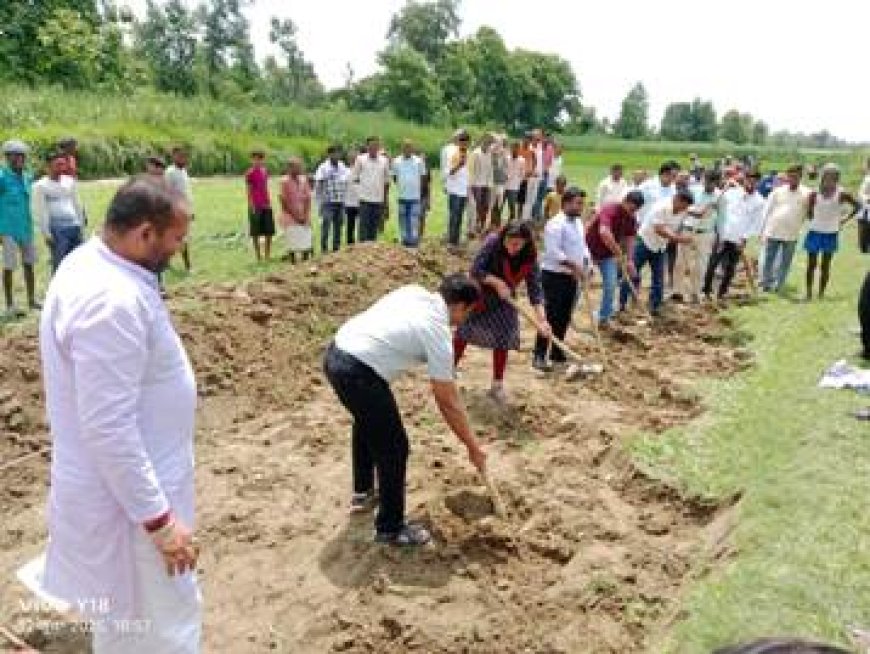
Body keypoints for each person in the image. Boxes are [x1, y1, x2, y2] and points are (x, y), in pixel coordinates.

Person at [39, 177, 201, 652]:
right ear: (145, 234)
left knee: (127, 623)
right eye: (175, 238)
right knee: (162, 623)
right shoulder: (110, 302)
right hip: (132, 506)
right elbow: (108, 427)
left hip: (136, 489)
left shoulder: (97, 263)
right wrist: (160, 521)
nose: (179, 248)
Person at [324, 274, 487, 546]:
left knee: (368, 421)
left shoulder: (413, 291)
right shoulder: (437, 332)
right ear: (459, 306)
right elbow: (447, 400)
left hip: (336, 352)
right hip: (358, 371)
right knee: (394, 447)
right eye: (467, 312)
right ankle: (390, 527)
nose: (465, 319)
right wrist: (472, 445)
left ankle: (363, 492)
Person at [453, 221, 551, 404]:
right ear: (503, 238)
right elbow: (476, 270)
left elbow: (535, 289)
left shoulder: (530, 257)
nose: (512, 248)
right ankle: (448, 372)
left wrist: (542, 320)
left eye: (517, 244)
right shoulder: (492, 243)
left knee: (504, 338)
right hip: (480, 294)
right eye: (509, 242)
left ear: (525, 243)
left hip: (505, 300)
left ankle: (496, 385)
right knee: (464, 333)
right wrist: (497, 283)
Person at [532, 188, 590, 371]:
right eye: (577, 203)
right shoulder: (555, 224)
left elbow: (582, 246)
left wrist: (587, 264)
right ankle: (539, 355)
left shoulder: (579, 223)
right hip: (553, 277)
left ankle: (557, 352)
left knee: (564, 316)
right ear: (566, 203)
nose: (581, 207)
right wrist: (573, 266)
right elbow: (553, 252)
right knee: (549, 316)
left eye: (582, 203)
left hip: (571, 278)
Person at [620, 190, 694, 316]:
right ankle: (621, 304)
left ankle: (655, 306)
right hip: (644, 242)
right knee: (632, 272)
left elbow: (690, 215)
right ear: (677, 199)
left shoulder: (683, 211)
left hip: (660, 247)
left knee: (659, 278)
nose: (684, 210)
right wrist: (679, 239)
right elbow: (659, 229)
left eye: (686, 207)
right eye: (683, 206)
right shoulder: (661, 207)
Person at [703, 171, 765, 301]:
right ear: (745, 180)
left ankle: (722, 292)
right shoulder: (732, 193)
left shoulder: (759, 201)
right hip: (722, 234)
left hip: (738, 238)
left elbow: (756, 223)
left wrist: (744, 238)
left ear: (758, 182)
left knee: (730, 268)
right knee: (712, 263)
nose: (751, 183)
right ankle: (706, 290)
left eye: (754, 181)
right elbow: (717, 207)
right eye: (749, 180)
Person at [585, 191, 645, 324]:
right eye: (631, 208)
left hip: (607, 255)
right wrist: (619, 253)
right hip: (589, 251)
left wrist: (629, 260)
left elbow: (630, 239)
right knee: (580, 284)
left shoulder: (631, 218)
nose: (632, 212)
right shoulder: (610, 209)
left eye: (635, 210)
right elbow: (604, 232)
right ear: (625, 201)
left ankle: (603, 316)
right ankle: (568, 313)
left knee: (611, 285)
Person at [803, 164, 861, 300]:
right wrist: (813, 219)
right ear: (822, 176)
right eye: (827, 175)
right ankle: (808, 293)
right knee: (811, 264)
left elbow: (858, 205)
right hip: (815, 232)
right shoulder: (814, 193)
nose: (829, 178)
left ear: (837, 178)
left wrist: (844, 219)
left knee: (825, 265)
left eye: (833, 175)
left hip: (831, 233)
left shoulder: (842, 194)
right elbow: (809, 211)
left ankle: (821, 294)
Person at [673, 170, 725, 303]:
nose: (709, 185)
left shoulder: (721, 197)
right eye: (707, 181)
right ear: (703, 179)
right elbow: (684, 208)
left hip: (706, 233)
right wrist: (694, 213)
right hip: (688, 230)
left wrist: (720, 238)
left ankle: (695, 293)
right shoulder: (693, 190)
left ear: (717, 182)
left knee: (701, 266)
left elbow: (722, 219)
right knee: (680, 263)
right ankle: (677, 291)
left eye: (712, 183)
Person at [0, 139, 38, 316]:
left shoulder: (27, 177)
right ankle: (9, 305)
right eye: (15, 156)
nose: (19, 160)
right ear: (7, 158)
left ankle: (32, 300)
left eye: (22, 156)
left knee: (29, 264)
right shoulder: (2, 178)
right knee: (9, 266)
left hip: (26, 228)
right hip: (7, 229)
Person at [33, 151, 87, 272]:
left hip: (74, 226)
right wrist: (46, 233)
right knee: (60, 264)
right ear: (48, 167)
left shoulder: (69, 181)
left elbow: (77, 203)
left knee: (78, 262)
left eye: (63, 164)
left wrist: (81, 223)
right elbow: (41, 211)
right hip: (57, 230)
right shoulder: (40, 186)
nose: (61, 167)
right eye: (57, 164)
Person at [760, 164, 809, 292]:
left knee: (785, 262)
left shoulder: (807, 193)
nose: (793, 179)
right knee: (768, 259)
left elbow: (810, 213)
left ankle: (779, 285)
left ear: (800, 177)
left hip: (792, 233)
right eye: (791, 176)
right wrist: (763, 230)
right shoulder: (777, 191)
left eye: (796, 177)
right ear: (787, 177)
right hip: (774, 230)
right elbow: (768, 211)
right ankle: (765, 284)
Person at [351, 137, 390, 242]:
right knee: (363, 230)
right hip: (365, 200)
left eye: (376, 146)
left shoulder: (384, 161)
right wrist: (360, 193)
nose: (374, 148)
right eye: (371, 146)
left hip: (378, 200)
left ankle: (370, 253)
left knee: (373, 231)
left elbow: (386, 182)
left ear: (379, 147)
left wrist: (385, 201)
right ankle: (361, 253)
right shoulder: (360, 159)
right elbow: (354, 179)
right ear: (367, 147)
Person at [391, 139, 426, 248]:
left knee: (414, 219)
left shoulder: (419, 161)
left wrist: (418, 190)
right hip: (402, 195)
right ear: (402, 148)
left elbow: (423, 177)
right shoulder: (396, 161)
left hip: (415, 196)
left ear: (413, 149)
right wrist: (402, 185)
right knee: (403, 219)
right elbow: (395, 177)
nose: (407, 149)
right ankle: (405, 241)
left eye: (409, 147)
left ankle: (414, 242)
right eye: (405, 147)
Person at [314, 145, 348, 254]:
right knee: (326, 224)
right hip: (327, 201)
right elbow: (318, 183)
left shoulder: (342, 166)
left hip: (340, 201)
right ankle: (324, 249)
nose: (337, 155)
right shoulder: (323, 167)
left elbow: (347, 180)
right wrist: (319, 201)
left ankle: (336, 249)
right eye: (334, 153)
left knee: (338, 226)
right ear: (329, 154)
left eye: (338, 153)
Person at [279, 157, 313, 263]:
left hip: (303, 215)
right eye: (297, 167)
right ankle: (293, 264)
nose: (299, 169)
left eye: (300, 166)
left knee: (306, 243)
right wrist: (296, 216)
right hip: (290, 216)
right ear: (290, 168)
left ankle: (305, 263)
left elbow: (308, 198)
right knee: (292, 244)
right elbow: (283, 201)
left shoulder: (304, 180)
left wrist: (305, 215)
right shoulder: (284, 182)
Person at [165, 146, 193, 272]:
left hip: (186, 208)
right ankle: (188, 266)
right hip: (176, 209)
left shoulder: (184, 171)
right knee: (181, 237)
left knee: (181, 237)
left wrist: (191, 210)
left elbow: (186, 192)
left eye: (184, 156)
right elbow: (167, 192)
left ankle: (167, 262)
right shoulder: (170, 172)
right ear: (174, 157)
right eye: (180, 156)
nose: (183, 159)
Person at [245, 149, 275, 262]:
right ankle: (258, 256)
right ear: (251, 160)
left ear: (263, 160)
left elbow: (265, 188)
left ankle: (267, 255)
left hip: (266, 204)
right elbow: (248, 190)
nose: (257, 161)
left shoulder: (265, 171)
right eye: (255, 159)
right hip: (255, 205)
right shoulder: (250, 173)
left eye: (259, 159)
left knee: (269, 231)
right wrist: (251, 205)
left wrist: (269, 202)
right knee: (255, 232)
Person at [444, 132, 470, 248]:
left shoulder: (469, 155)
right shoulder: (454, 154)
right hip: (454, 190)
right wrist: (459, 165)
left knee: (459, 216)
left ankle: (456, 240)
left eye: (466, 141)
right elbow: (449, 172)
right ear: (458, 142)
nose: (464, 143)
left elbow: (469, 173)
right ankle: (451, 240)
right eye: (462, 141)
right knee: (453, 216)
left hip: (464, 190)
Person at [468, 134, 495, 234]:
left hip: (486, 184)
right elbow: (471, 170)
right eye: (487, 142)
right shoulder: (475, 153)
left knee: (486, 206)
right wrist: (471, 185)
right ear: (483, 141)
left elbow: (490, 169)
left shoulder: (489, 154)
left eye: (490, 143)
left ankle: (482, 226)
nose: (488, 144)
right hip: (476, 184)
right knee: (477, 206)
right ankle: (474, 227)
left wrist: (490, 184)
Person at [490, 136, 509, 227]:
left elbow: (506, 166)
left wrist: (506, 176)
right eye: (497, 142)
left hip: (501, 181)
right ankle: (490, 222)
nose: (498, 144)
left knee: (500, 201)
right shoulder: (491, 152)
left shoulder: (504, 152)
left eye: (500, 142)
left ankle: (497, 221)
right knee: (492, 202)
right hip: (492, 181)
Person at [344, 147, 361, 246]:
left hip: (361, 202)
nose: (353, 159)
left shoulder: (362, 171)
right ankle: (350, 245)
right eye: (351, 157)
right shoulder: (345, 171)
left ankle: (360, 245)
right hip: (349, 202)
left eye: (355, 157)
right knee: (350, 226)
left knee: (361, 226)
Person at [505, 142, 525, 223]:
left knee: (512, 206)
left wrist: (517, 181)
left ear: (519, 149)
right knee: (499, 206)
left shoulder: (522, 160)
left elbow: (522, 174)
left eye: (516, 148)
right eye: (513, 148)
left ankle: (512, 224)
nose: (514, 150)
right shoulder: (506, 158)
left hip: (514, 186)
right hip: (504, 185)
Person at [857, 165, 870, 254]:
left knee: (864, 246)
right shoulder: (867, 179)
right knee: (864, 247)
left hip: (866, 215)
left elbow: (861, 195)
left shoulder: (867, 179)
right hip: (865, 214)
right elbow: (862, 195)